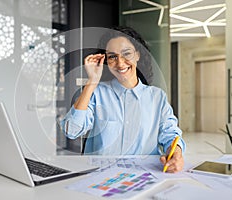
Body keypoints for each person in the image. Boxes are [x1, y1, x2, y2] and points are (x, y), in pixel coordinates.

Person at [60, 26, 185, 173]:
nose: (120, 63)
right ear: (106, 60)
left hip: (145, 175)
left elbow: (170, 135)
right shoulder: (97, 93)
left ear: (138, 55)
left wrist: (176, 154)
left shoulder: (157, 97)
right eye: (112, 56)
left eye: (126, 53)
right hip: (100, 176)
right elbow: (71, 130)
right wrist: (92, 81)